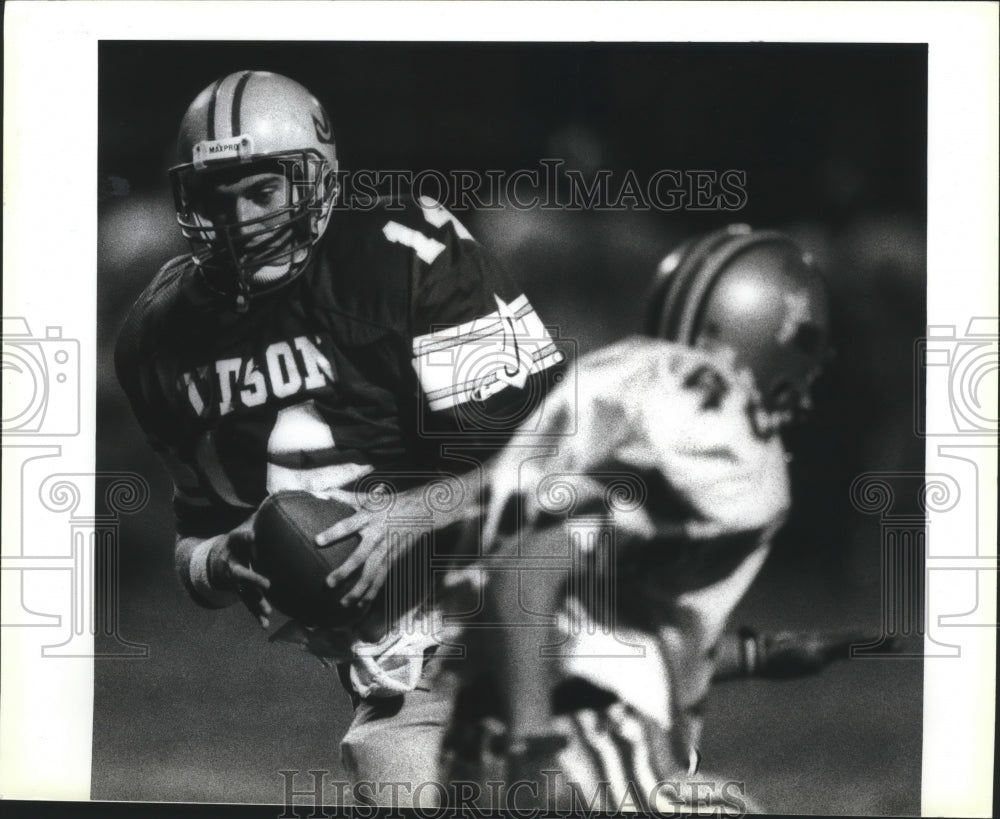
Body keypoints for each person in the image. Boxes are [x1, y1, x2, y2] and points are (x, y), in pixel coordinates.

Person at [114, 70, 565, 807]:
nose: (241, 223)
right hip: (398, 665)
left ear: (316, 178)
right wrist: (228, 559)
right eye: (216, 198)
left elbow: (566, 465)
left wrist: (413, 511)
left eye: (261, 192)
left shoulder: (404, 257)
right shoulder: (159, 336)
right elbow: (193, 543)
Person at [436, 224, 834, 812]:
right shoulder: (718, 427)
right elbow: (528, 569)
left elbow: (607, 616)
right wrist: (533, 742)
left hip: (478, 732)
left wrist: (755, 656)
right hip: (571, 735)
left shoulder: (615, 369)